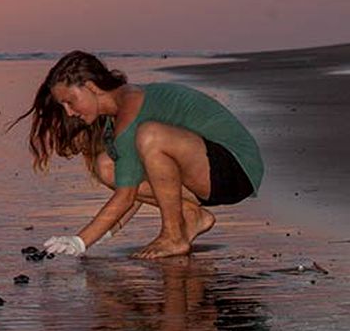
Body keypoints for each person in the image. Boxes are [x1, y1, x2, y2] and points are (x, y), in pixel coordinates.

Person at [13, 51, 264, 259]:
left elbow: (127, 195)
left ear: (90, 87)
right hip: (206, 175)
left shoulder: (131, 108)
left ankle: (174, 236)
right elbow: (133, 187)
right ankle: (191, 215)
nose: (68, 112)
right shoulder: (118, 117)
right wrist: (106, 233)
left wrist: (81, 241)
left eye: (70, 101)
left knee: (150, 135)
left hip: (236, 167)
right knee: (106, 166)